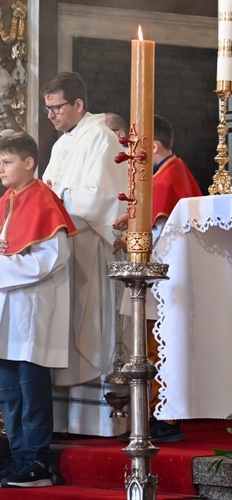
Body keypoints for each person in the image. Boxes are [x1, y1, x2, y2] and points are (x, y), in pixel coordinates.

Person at [0, 132, 77, 488]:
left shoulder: (44, 200)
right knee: (8, 391)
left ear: (29, 163)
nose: (0, 169)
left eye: (7, 162)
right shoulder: (2, 204)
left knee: (31, 388)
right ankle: (17, 459)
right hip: (1, 311)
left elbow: (54, 258)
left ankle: (37, 461)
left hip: (30, 309)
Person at [40, 72, 128, 437]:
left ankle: (102, 423)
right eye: (47, 108)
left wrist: (57, 197)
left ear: (78, 104)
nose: (51, 115)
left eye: (57, 107)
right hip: (64, 247)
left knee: (89, 327)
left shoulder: (102, 138)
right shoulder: (62, 144)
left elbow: (100, 197)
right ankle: (67, 423)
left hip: (89, 245)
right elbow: (45, 190)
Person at [113, 114, 202, 443]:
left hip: (162, 280)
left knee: (157, 348)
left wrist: (133, 235)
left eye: (139, 145)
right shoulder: (166, 173)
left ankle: (162, 417)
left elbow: (163, 231)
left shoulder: (168, 176)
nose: (133, 151)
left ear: (155, 145)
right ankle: (155, 414)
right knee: (151, 346)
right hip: (158, 279)